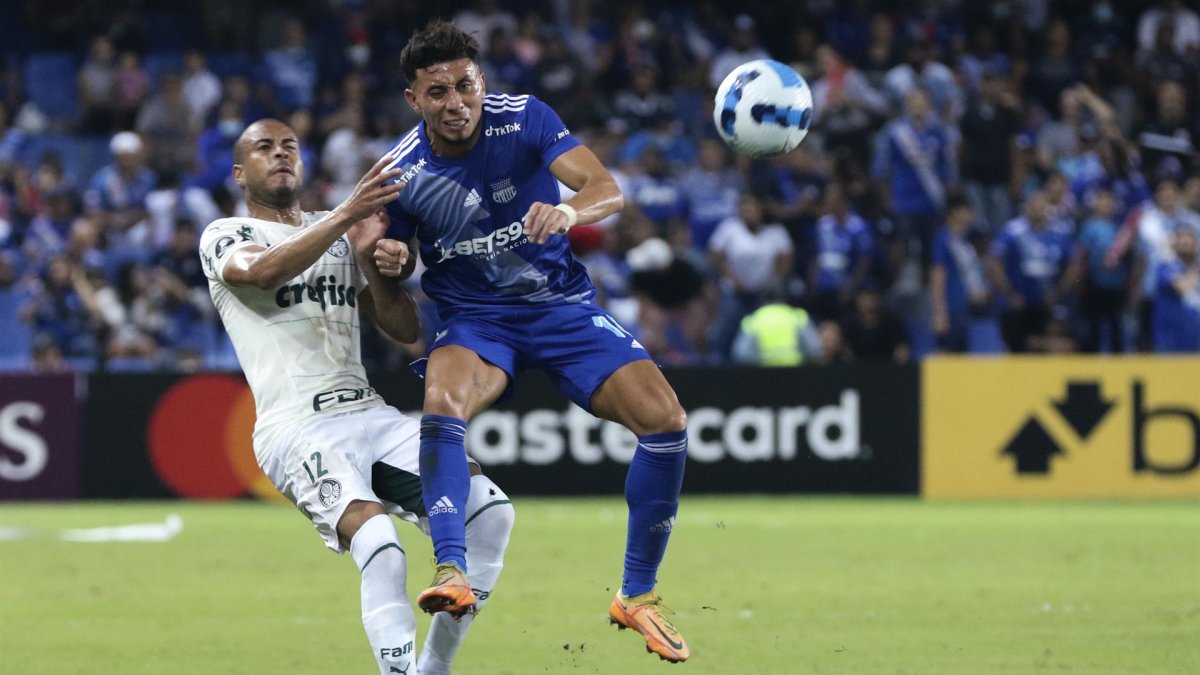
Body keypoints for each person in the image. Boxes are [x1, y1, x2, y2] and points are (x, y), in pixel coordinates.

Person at [372, 20, 690, 662]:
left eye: (466, 86)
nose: (456, 103)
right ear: (413, 99)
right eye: (438, 92)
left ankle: (637, 595)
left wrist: (568, 211)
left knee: (667, 422)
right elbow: (397, 277)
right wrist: (389, 261)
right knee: (441, 402)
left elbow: (605, 190)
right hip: (477, 320)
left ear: (482, 81)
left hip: (560, 309)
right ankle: (451, 569)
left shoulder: (525, 118)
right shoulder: (401, 173)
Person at [198, 118, 514, 675]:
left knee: (489, 513)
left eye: (290, 146)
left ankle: (433, 667)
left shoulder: (338, 232)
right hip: (296, 426)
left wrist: (373, 261)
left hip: (369, 411)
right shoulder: (226, 233)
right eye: (265, 148)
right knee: (380, 545)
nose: (281, 154)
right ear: (240, 173)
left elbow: (405, 329)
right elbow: (262, 273)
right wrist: (347, 216)